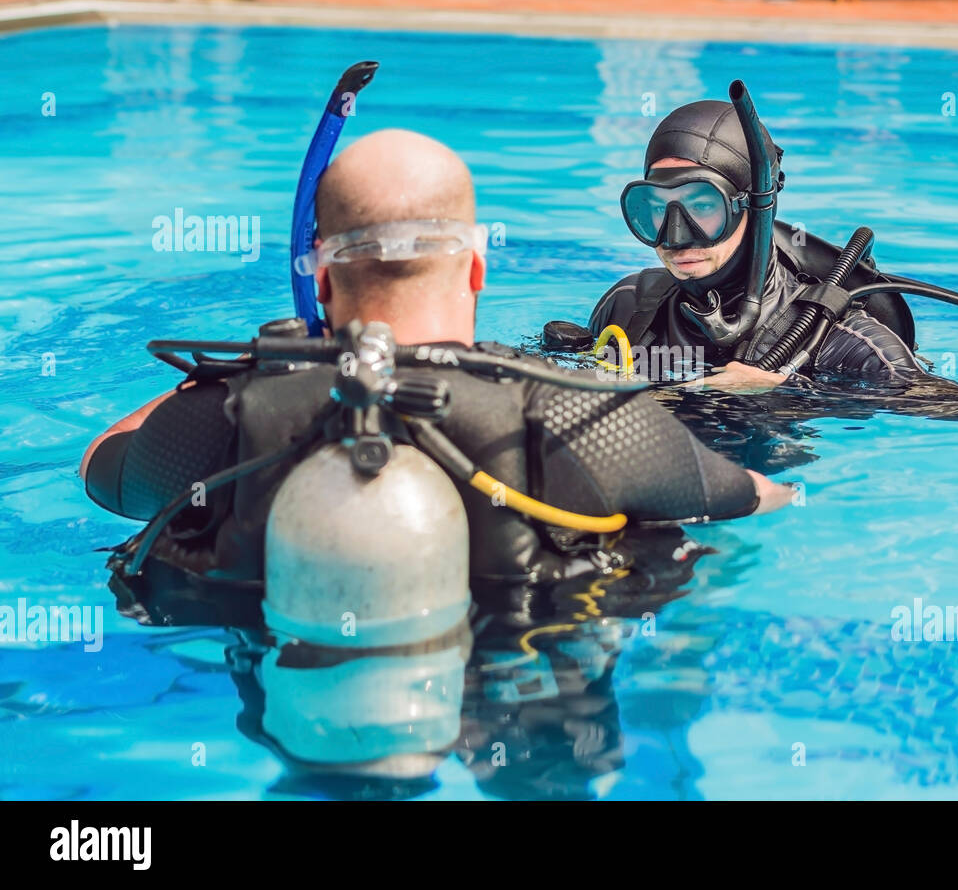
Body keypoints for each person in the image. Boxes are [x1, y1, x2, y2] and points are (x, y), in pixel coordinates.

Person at [81, 129, 792, 618]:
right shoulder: (596, 422)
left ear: (321, 280)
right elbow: (766, 498)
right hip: (517, 680)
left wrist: (257, 370)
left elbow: (97, 466)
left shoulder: (220, 420)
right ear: (477, 267)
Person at [586, 96, 958, 399]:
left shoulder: (837, 337)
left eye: (702, 208)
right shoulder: (627, 306)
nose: (676, 236)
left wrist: (788, 388)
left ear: (754, 207)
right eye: (656, 210)